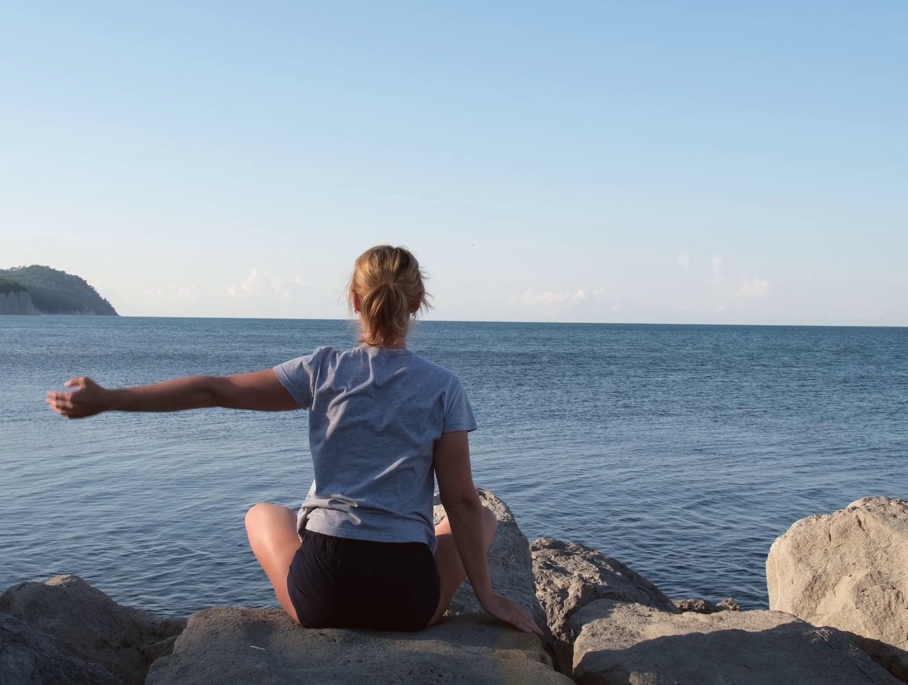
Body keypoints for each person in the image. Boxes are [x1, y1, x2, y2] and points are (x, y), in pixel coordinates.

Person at [46, 245, 539, 635]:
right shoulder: (442, 387)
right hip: (407, 602)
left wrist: (109, 399)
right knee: (487, 519)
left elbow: (212, 389)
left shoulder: (323, 368)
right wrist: (489, 598)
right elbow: (459, 500)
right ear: (417, 302)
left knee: (263, 513)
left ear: (354, 299)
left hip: (323, 592)